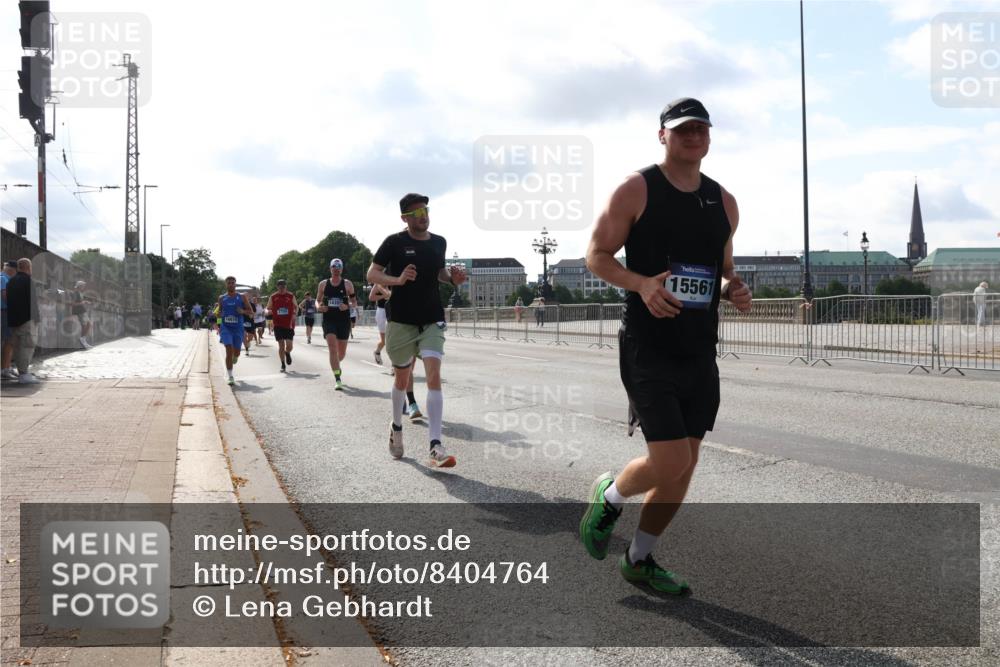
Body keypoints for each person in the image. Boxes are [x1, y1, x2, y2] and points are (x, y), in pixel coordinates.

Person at [579, 98, 752, 594]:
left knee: (686, 464)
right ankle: (609, 497)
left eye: (700, 128)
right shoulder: (637, 188)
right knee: (671, 461)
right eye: (682, 129)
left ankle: (639, 558)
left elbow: (723, 272)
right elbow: (596, 256)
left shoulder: (725, 202)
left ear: (710, 137)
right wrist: (642, 284)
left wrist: (734, 289)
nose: (692, 136)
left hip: (699, 350)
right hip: (647, 346)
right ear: (663, 136)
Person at [367, 192, 466, 467]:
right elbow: (372, 274)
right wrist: (397, 280)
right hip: (401, 320)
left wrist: (452, 279)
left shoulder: (438, 242)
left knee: (434, 374)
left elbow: (439, 273)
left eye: (425, 211)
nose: (423, 216)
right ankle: (396, 426)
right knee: (402, 378)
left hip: (432, 318)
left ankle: (435, 445)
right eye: (416, 213)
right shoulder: (394, 243)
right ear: (405, 218)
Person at [317, 258, 357, 389]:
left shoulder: (347, 284)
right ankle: (338, 378)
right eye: (334, 267)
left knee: (342, 353)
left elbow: (354, 303)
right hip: (329, 319)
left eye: (338, 267)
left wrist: (348, 306)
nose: (336, 269)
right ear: (330, 269)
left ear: (341, 269)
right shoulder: (323, 284)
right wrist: (319, 307)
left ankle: (335, 365)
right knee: (332, 349)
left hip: (343, 321)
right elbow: (317, 300)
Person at [7, 258, 40, 384]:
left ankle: (22, 372)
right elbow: (33, 302)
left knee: (17, 347)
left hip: (14, 320)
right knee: (27, 346)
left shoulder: (11, 281)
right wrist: (37, 319)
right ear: (28, 267)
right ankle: (24, 374)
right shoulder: (29, 281)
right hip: (27, 319)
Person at [217, 277, 254, 386]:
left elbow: (251, 312)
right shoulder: (222, 298)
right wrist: (219, 318)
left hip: (238, 328)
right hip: (226, 328)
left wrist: (242, 311)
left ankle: (235, 356)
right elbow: (219, 312)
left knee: (236, 352)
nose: (231, 285)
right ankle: (230, 376)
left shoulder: (241, 297)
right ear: (226, 284)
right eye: (229, 283)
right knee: (228, 349)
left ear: (235, 284)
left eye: (233, 283)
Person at [267, 279, 297, 373]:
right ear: (277, 287)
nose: (282, 289)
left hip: (289, 324)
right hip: (278, 324)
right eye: (280, 287)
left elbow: (296, 307)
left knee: (289, 345)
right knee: (281, 345)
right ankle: (283, 364)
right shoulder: (273, 296)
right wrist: (268, 312)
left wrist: (295, 314)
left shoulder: (291, 296)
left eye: (283, 287)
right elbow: (268, 308)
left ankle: (287, 353)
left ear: (286, 287)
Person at [1, 261, 17, 379]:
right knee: (8, 340)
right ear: (12, 269)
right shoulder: (3, 279)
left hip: (6, 312)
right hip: (4, 312)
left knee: (9, 341)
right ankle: (5, 369)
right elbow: (5, 296)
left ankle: (7, 366)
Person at [369, 283, 392, 364]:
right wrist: (384, 296)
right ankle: (377, 352)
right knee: (384, 342)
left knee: (391, 340)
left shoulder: (396, 281)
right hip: (382, 312)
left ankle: (394, 366)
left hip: (393, 311)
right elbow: (371, 297)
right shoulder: (378, 284)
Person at [71, 280, 94, 348]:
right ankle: (82, 340)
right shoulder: (75, 293)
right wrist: (83, 303)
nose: (84, 287)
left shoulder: (79, 293)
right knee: (86, 325)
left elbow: (81, 301)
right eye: (83, 286)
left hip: (82, 310)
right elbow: (73, 303)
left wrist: (86, 302)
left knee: (88, 324)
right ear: (79, 286)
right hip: (79, 311)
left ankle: (83, 339)